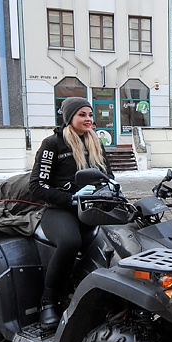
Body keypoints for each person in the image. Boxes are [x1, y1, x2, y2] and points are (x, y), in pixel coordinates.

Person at [29, 97, 113, 329]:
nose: (88, 119)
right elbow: (37, 186)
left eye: (90, 115)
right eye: (82, 115)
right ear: (69, 118)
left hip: (93, 207)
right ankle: (48, 302)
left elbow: (108, 175)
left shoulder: (96, 142)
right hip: (60, 209)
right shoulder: (52, 143)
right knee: (70, 242)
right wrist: (71, 197)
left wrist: (112, 187)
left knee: (117, 237)